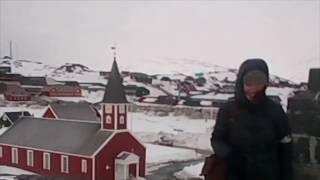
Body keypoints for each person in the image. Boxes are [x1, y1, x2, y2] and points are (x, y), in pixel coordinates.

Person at [211, 59, 293, 180]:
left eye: (259, 83)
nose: (254, 89)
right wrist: (230, 155)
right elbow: (217, 140)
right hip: (235, 174)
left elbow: (285, 144)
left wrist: (286, 175)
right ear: (241, 83)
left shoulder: (274, 110)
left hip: (268, 174)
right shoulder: (228, 109)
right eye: (249, 83)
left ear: (265, 84)